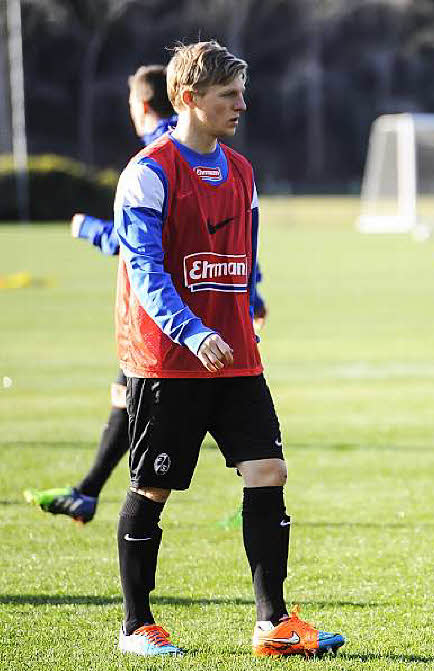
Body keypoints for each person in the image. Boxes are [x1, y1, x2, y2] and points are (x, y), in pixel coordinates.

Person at [110, 40, 343, 657]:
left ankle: (273, 623)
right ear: (188, 100)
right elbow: (144, 269)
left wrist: (245, 312)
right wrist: (194, 330)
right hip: (170, 361)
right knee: (152, 488)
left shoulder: (241, 171)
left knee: (268, 471)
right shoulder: (149, 172)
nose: (242, 104)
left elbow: (246, 255)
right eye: (228, 95)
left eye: (242, 92)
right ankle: (138, 626)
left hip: (237, 357)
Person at [23, 65, 266, 525]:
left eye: (132, 106)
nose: (239, 105)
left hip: (167, 323)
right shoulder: (179, 151)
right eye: (229, 94)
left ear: (146, 105)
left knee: (153, 469)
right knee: (125, 406)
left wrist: (86, 229)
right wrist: (252, 292)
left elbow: (140, 246)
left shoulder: (167, 151)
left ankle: (90, 492)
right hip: (181, 317)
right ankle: (90, 491)